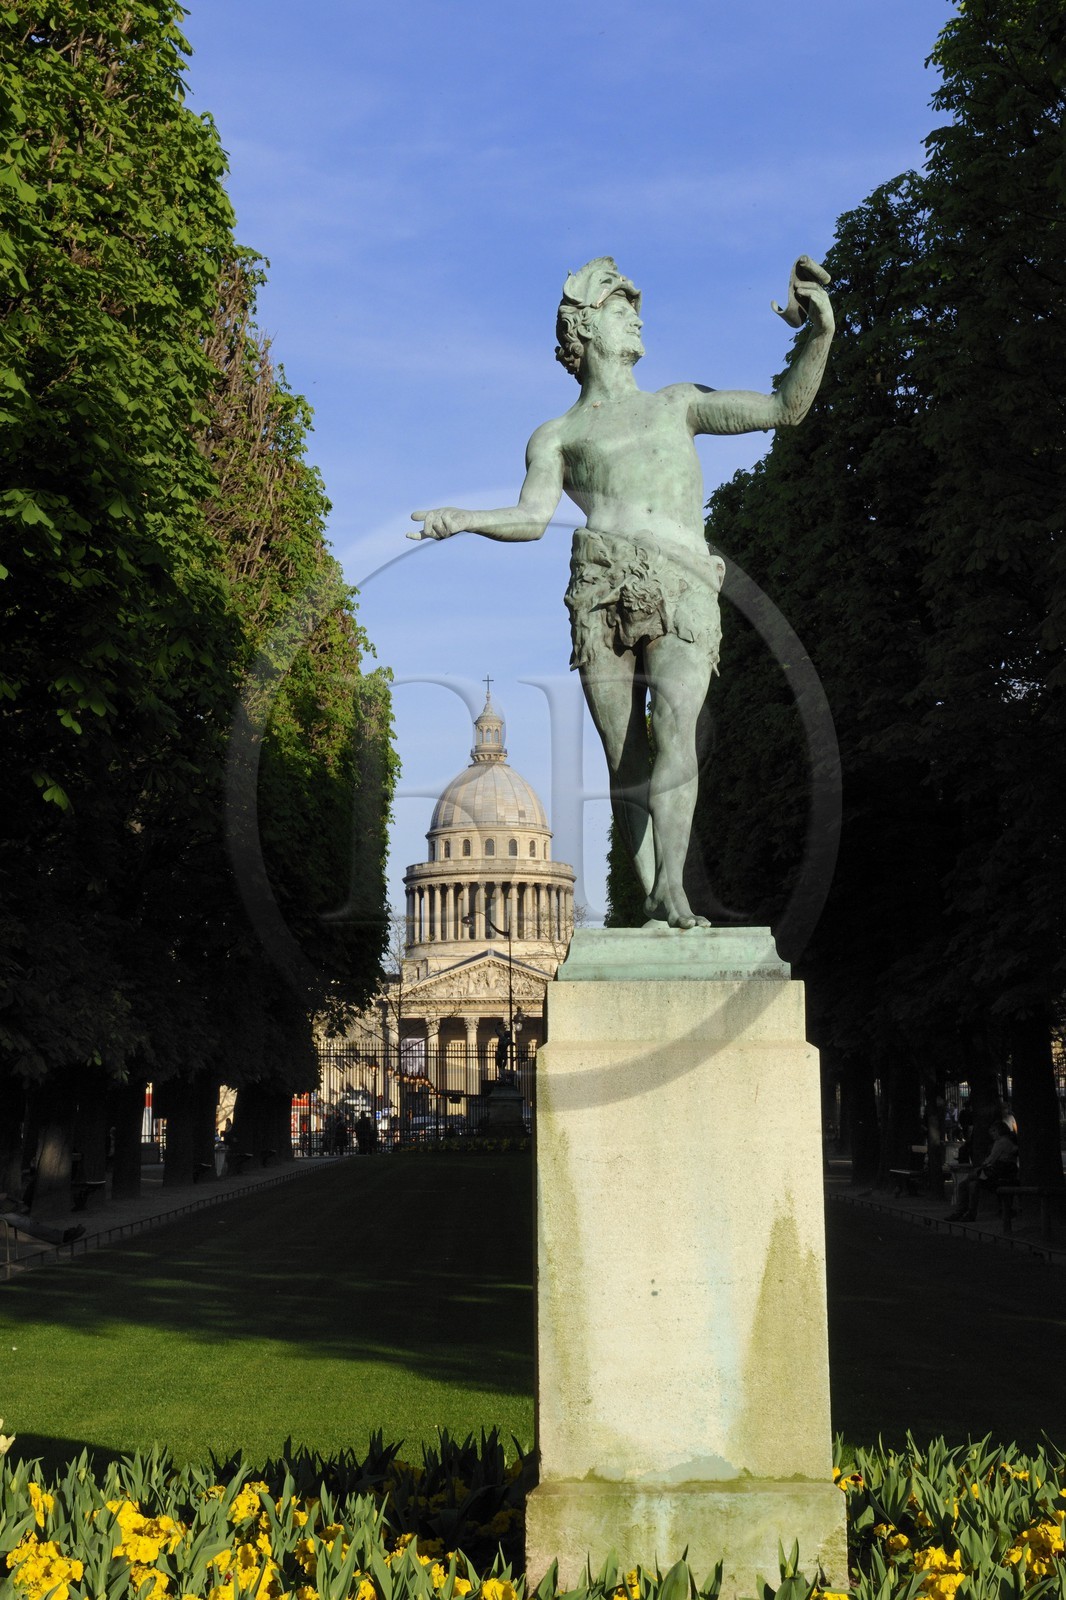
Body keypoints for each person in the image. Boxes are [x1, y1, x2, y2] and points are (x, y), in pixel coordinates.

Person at [410, 257, 834, 927]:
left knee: (676, 734)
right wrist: (463, 518)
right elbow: (532, 518)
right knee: (624, 756)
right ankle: (654, 899)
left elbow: (786, 408)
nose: (635, 317)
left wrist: (820, 332)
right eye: (618, 307)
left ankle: (672, 888)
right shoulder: (557, 435)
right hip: (599, 588)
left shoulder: (679, 403)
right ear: (583, 328)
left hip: (681, 580)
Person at [947, 1120, 1018, 1221]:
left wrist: (982, 1166)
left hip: (997, 1175)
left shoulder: (1001, 1142)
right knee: (972, 1184)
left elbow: (991, 1159)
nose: (992, 1134)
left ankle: (962, 1212)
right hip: (1000, 1174)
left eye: (994, 1131)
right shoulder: (1007, 1141)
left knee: (965, 1183)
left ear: (1000, 1130)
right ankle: (966, 1212)